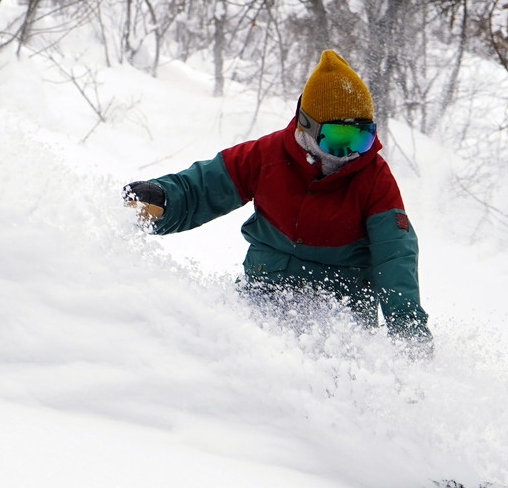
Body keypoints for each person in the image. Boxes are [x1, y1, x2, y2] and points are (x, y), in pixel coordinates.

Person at [124, 49, 432, 350]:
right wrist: (163, 199)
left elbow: (395, 254)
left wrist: (408, 330)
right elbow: (204, 186)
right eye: (338, 140)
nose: (351, 153)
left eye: (361, 139)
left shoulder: (373, 177)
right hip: (264, 296)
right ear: (307, 126)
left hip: (339, 319)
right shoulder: (267, 156)